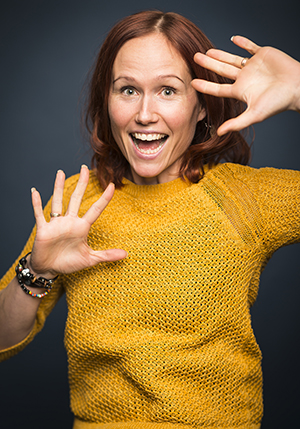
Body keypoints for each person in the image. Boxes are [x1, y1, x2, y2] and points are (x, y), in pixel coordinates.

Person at [0, 9, 299, 429]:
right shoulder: (74, 202)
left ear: (200, 107)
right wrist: (38, 270)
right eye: (127, 90)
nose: (144, 113)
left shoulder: (244, 197)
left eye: (168, 91)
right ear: (107, 99)